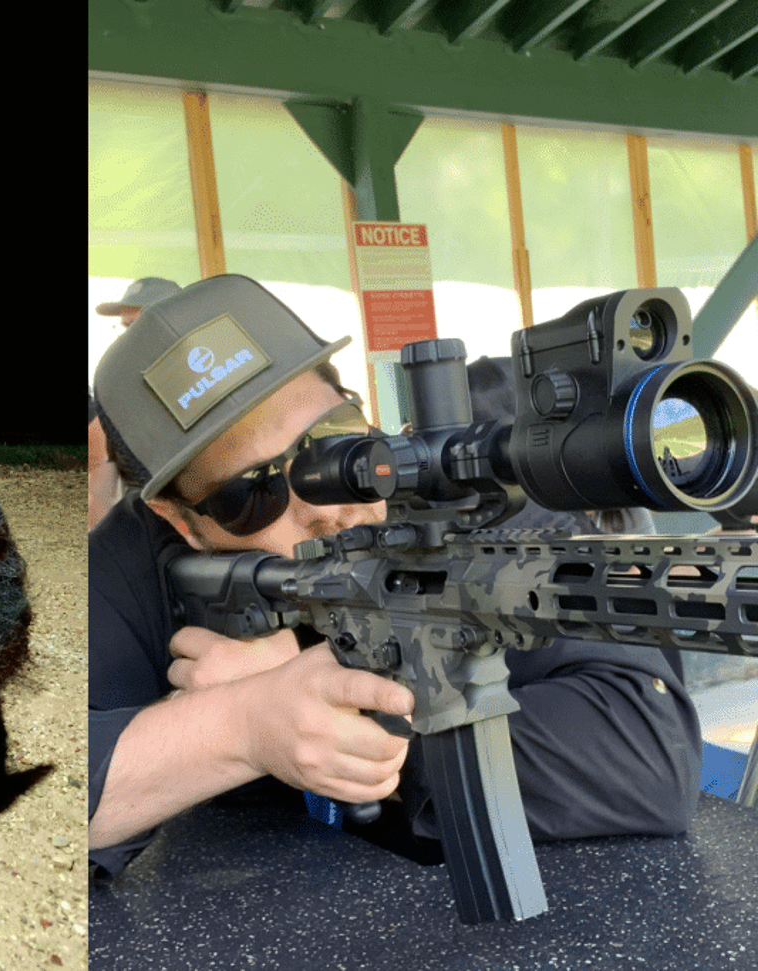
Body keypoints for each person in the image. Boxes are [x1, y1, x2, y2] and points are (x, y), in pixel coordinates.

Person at [88, 273, 703, 877]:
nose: (325, 507)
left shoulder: (471, 486)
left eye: (329, 443)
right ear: (180, 518)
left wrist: (362, 718)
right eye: (250, 495)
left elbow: (648, 758)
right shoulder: (132, 564)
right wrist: (242, 724)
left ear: (355, 404)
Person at [89, 278, 181, 531]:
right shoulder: (119, 387)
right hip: (151, 526)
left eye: (135, 326)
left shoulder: (214, 372)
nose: (125, 338)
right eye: (124, 327)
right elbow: (102, 475)